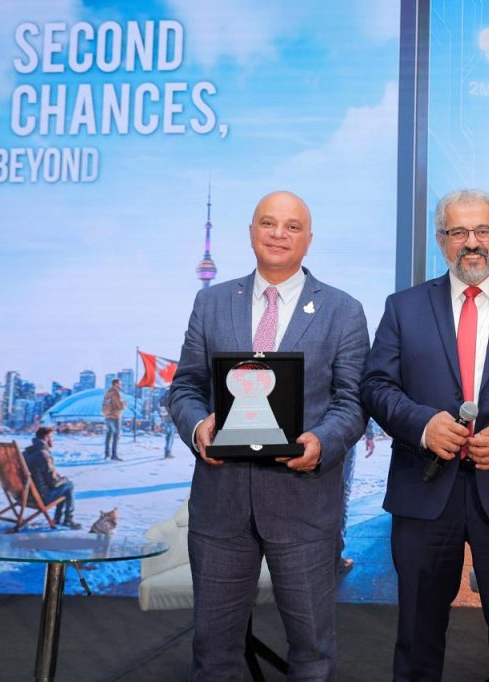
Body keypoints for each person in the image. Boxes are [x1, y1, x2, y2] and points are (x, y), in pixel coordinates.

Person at [361, 189, 489, 681]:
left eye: (482, 230)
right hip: (423, 489)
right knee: (417, 638)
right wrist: (422, 425)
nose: (471, 242)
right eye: (458, 232)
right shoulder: (403, 308)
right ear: (441, 240)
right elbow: (376, 386)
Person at [167, 190, 368, 681]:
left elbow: (352, 402)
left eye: (292, 226)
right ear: (251, 232)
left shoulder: (343, 310)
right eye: (268, 223)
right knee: (214, 653)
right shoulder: (211, 302)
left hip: (304, 506)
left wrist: (322, 442)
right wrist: (198, 426)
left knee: (312, 653)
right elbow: (185, 388)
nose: (279, 234)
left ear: (309, 238)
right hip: (221, 507)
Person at [22, 426, 81, 529]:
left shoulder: (27, 453)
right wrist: (63, 480)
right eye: (51, 437)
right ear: (46, 438)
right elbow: (53, 482)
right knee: (69, 485)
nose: (53, 440)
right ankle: (68, 519)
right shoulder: (43, 454)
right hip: (42, 496)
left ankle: (58, 519)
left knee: (64, 486)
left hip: (27, 494)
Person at [338, 419, 375, 572]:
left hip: (309, 433)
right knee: (341, 493)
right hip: (342, 435)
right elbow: (360, 405)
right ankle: (335, 556)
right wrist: (369, 435)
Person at [101, 378, 125, 461]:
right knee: (116, 436)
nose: (120, 385)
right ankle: (114, 455)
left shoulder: (107, 393)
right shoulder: (116, 393)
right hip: (115, 416)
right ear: (116, 384)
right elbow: (120, 406)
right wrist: (124, 403)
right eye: (119, 384)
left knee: (108, 435)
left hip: (107, 417)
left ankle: (107, 454)